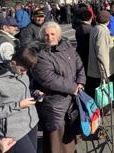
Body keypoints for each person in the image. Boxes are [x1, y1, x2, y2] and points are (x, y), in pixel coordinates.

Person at [32, 21, 86, 153]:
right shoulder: (40, 54)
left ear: (59, 35)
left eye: (52, 34)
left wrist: (81, 81)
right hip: (54, 104)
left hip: (71, 100)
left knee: (70, 136)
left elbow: (79, 65)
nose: (49, 38)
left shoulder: (67, 46)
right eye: (46, 35)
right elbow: (49, 79)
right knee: (56, 141)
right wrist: (74, 88)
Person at [0, 47, 41, 153]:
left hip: (31, 123)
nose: (24, 74)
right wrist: (18, 106)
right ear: (12, 63)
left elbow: (20, 92)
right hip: (13, 131)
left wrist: (34, 93)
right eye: (23, 70)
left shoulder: (21, 72)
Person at [86, 10, 114, 98]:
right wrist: (104, 74)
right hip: (101, 70)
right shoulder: (102, 31)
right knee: (103, 94)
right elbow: (102, 53)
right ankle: (104, 110)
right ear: (108, 20)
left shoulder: (95, 28)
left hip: (96, 68)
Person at [75, 7, 93, 76]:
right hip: (88, 55)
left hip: (80, 53)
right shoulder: (90, 29)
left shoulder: (79, 28)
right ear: (90, 18)